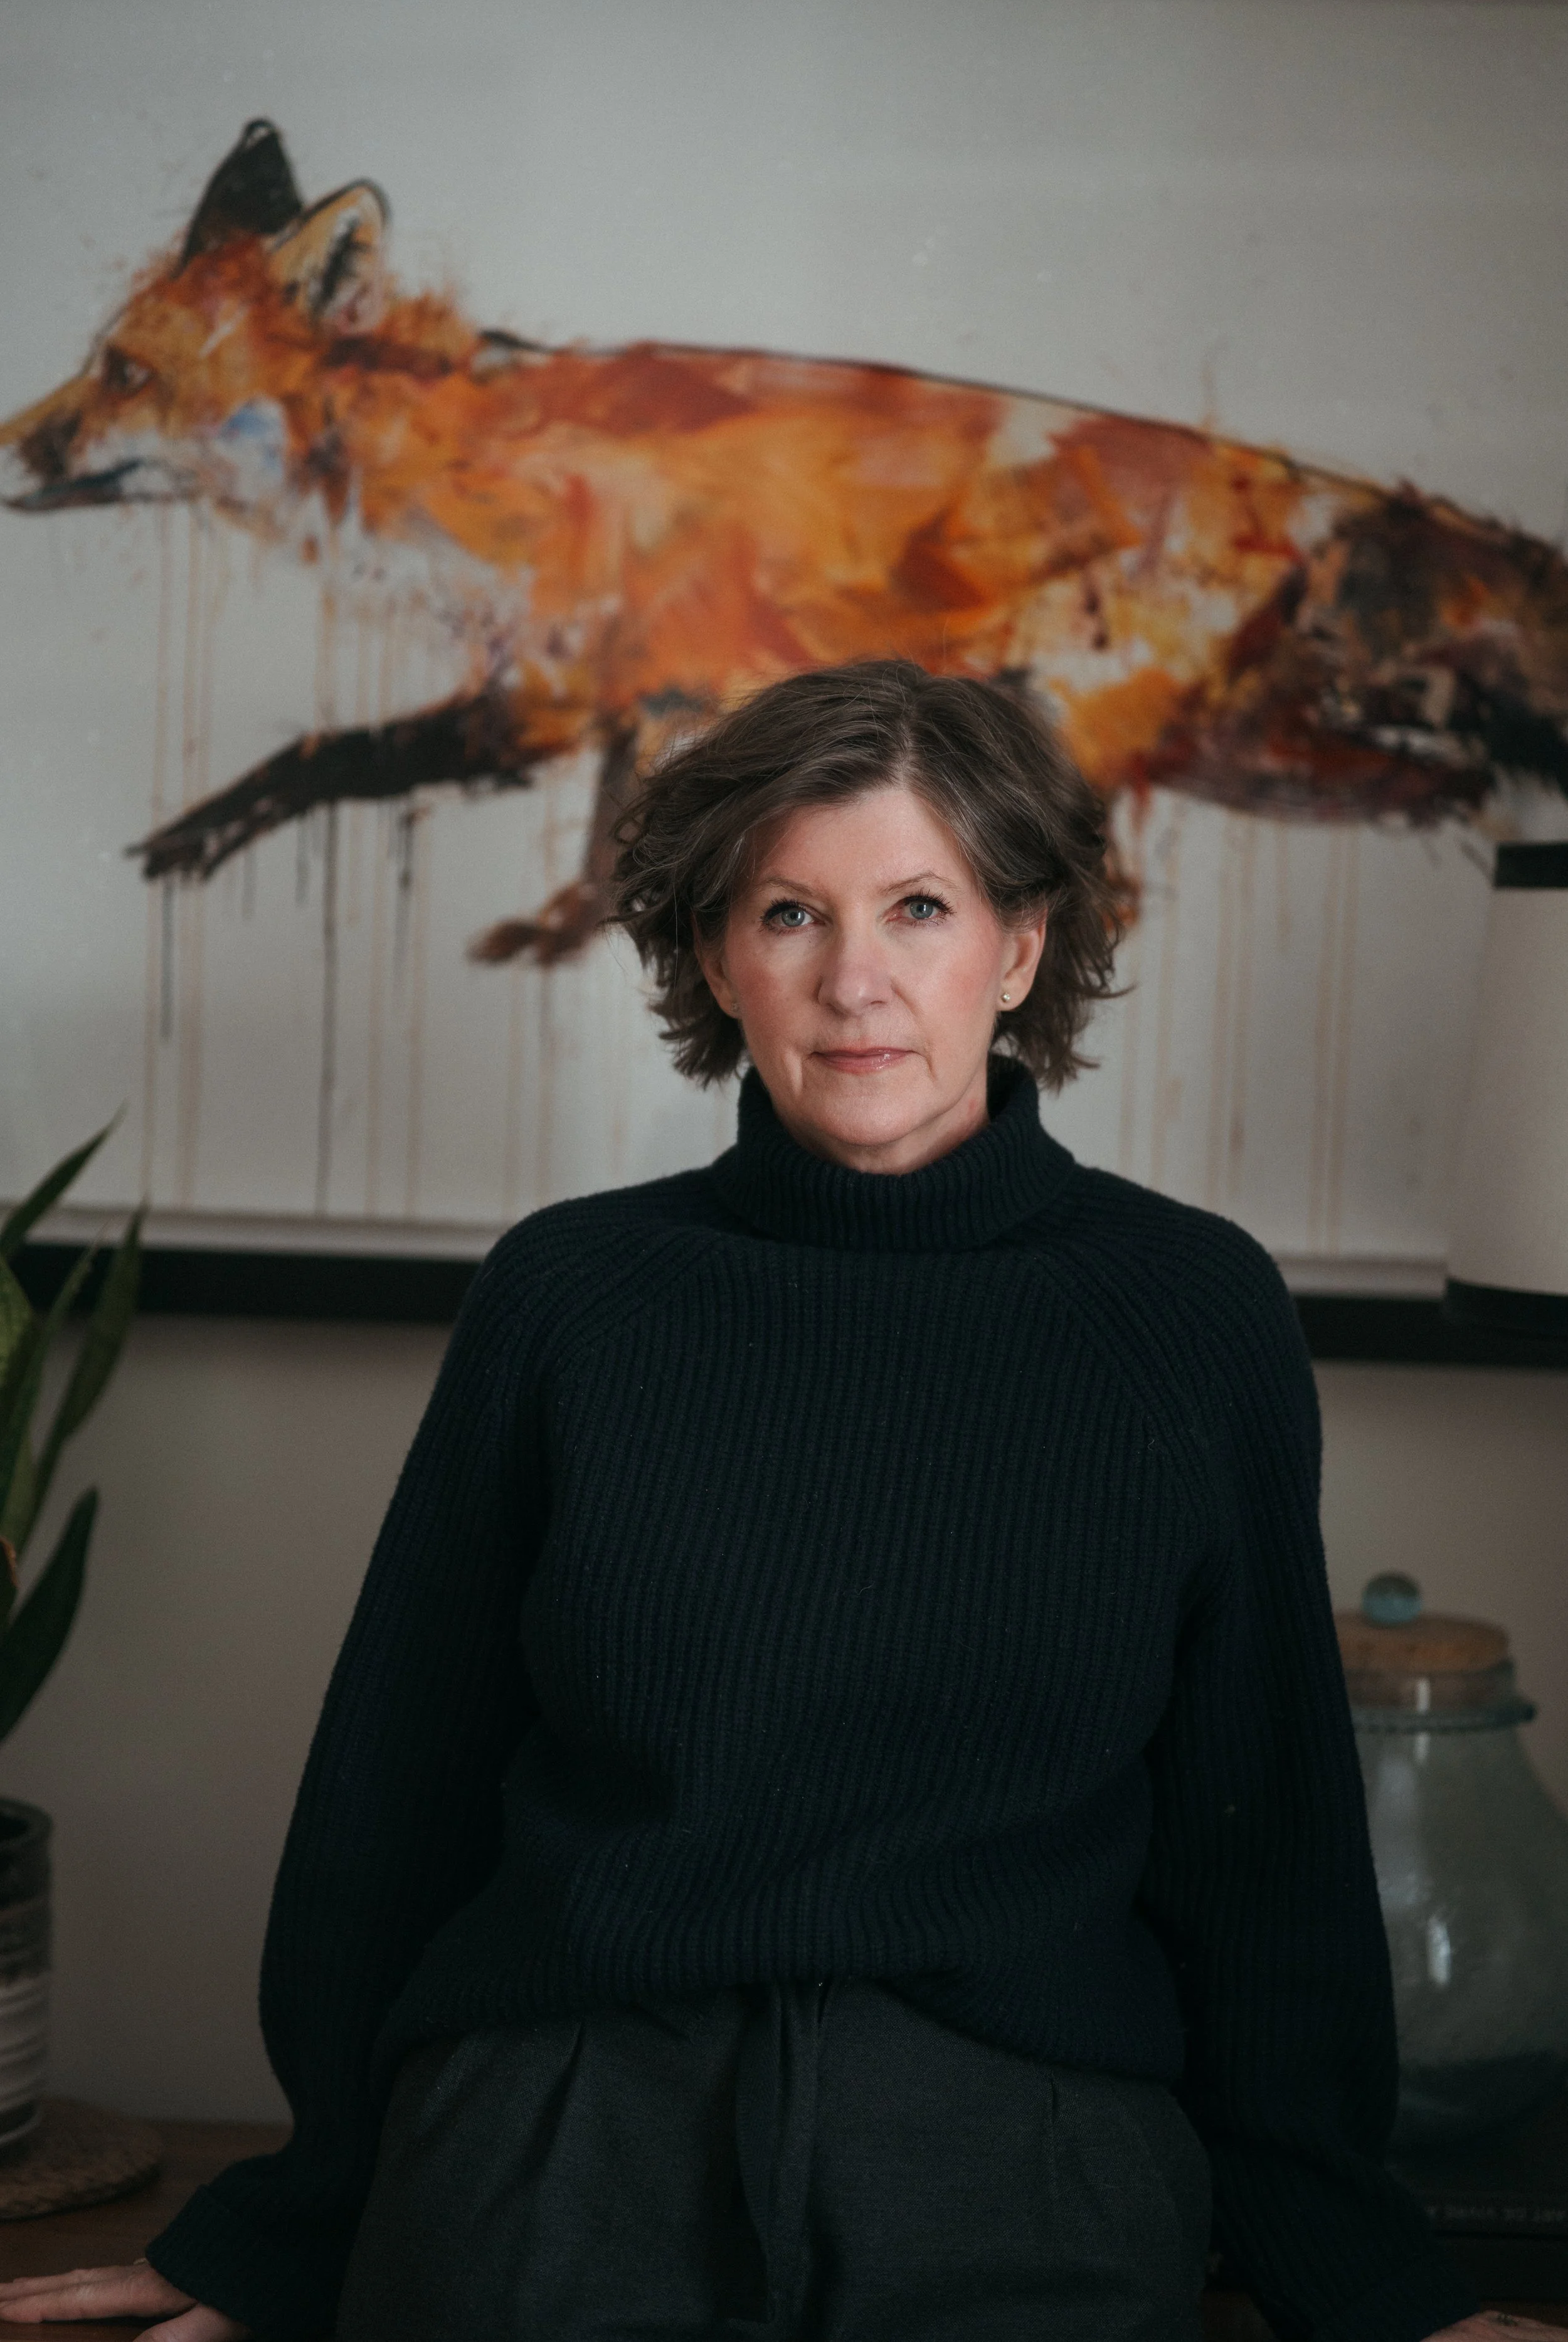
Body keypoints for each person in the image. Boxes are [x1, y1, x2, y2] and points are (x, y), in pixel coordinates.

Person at [0, 661, 1543, 2342]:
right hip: (555, 2132)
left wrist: (1368, 2280)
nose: (855, 980)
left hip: (1022, 2147)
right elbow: (399, 1799)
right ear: (715, 955)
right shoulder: (573, 1297)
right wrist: (289, 2229)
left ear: (1020, 946)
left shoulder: (1188, 1312)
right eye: (790, 911)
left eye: (919, 906)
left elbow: (1265, 1846)